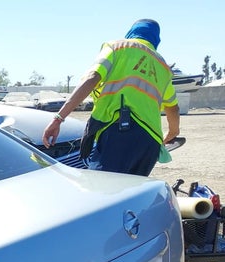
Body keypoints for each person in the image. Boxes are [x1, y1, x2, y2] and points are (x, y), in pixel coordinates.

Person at [42, 19, 180, 176]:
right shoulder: (163, 67)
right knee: (131, 194)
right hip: (150, 144)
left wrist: (58, 118)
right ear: (156, 40)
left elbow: (92, 77)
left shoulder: (117, 47)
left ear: (131, 32)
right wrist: (172, 133)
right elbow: (173, 108)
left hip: (119, 132)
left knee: (101, 188)